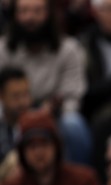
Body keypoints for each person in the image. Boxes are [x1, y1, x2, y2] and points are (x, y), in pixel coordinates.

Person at [0, 0, 93, 165]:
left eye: (37, 11)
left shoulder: (69, 49)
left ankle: (75, 178)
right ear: (15, 15)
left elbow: (73, 96)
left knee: (73, 124)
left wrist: (48, 112)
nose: (30, 18)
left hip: (53, 114)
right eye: (24, 11)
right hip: (10, 114)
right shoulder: (3, 49)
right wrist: (14, 112)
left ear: (49, 14)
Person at [0, 67, 33, 166]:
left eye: (26, 94)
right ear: (1, 95)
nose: (23, 102)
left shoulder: (36, 121)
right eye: (16, 96)